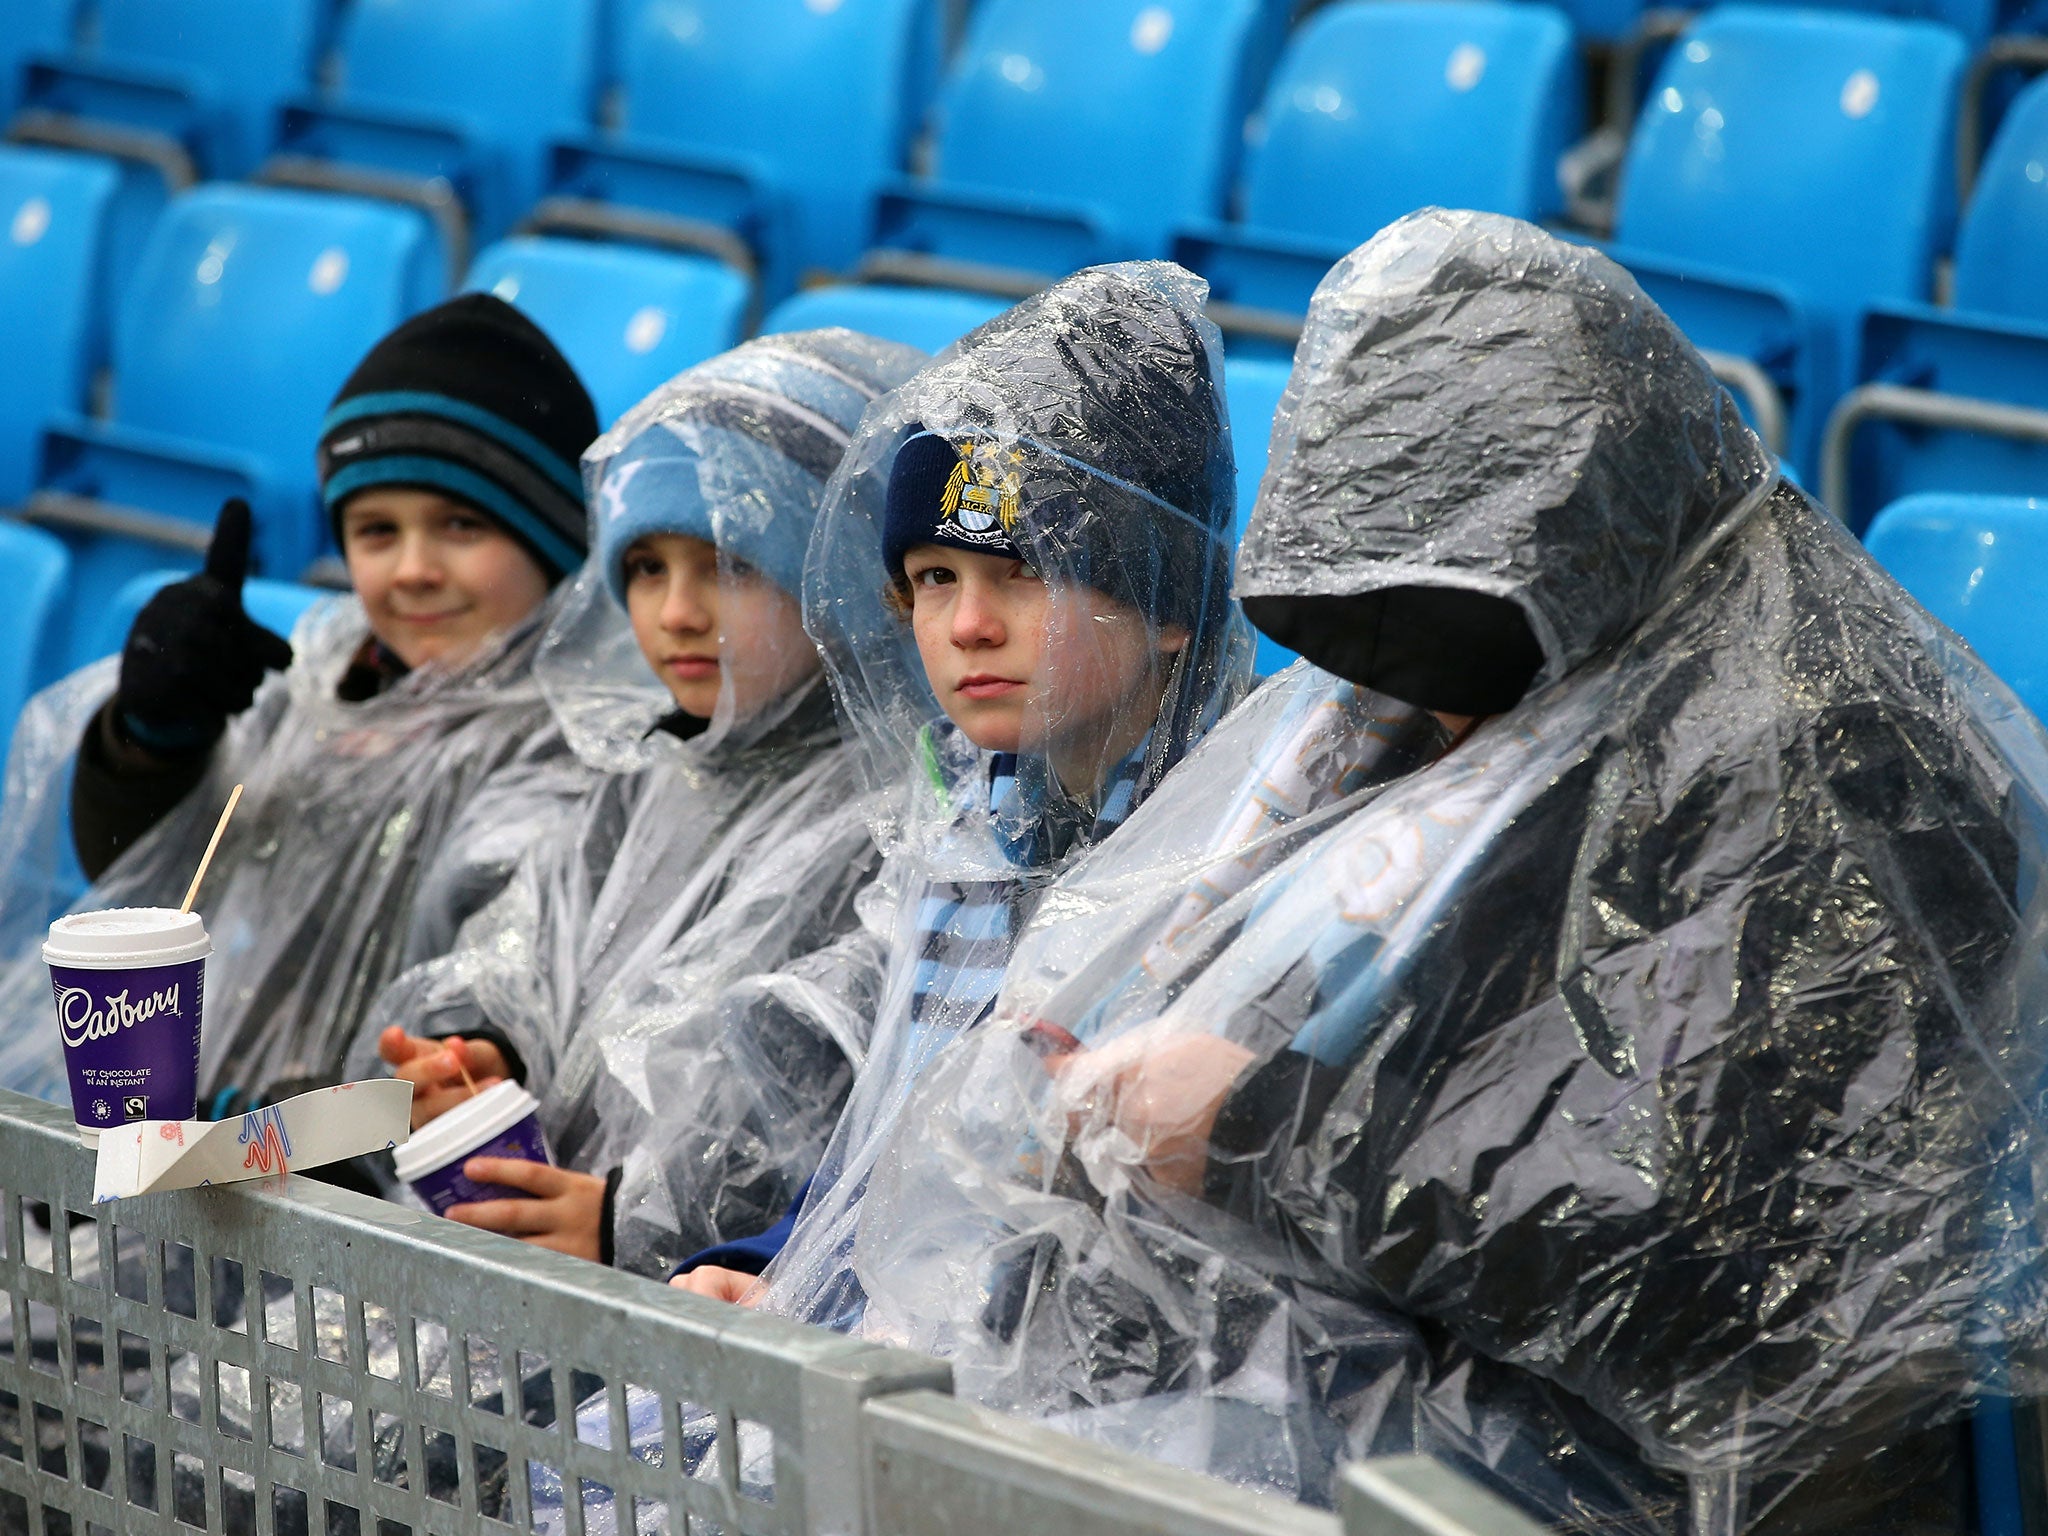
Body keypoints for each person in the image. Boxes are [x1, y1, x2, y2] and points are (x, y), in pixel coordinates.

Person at [825, 212, 2048, 1534]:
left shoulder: (1830, 764)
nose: (1414, 696)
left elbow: (1728, 1272)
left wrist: (1256, 1133)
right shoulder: (1431, 712)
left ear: (1569, 550)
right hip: (1393, 1433)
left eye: (1435, 624)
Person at [662, 261, 1255, 1308]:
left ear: (1168, 603)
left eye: (1024, 573)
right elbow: (889, 1153)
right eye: (935, 579)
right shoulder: (969, 824)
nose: (967, 627)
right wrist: (777, 1267)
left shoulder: (1224, 861)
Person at [357, 330, 926, 1266]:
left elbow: (813, 1089)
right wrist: (483, 1051)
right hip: (539, 1247)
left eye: (731, 566)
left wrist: (637, 1220)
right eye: (646, 568)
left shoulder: (891, 819)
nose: (676, 614)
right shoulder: (643, 776)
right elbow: (520, 952)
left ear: (835, 578)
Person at [0, 294, 603, 1121]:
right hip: (220, 1142)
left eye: (461, 524)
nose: (412, 569)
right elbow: (138, 877)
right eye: (377, 532)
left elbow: (494, 1020)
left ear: (558, 540)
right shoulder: (316, 686)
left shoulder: (590, 742)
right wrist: (154, 739)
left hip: (367, 1188)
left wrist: (287, 1118)